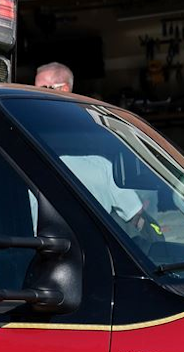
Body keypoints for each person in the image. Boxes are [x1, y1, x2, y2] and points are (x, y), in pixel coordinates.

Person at [30, 62, 150, 228]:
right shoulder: (27, 125)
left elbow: (134, 212)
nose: (32, 94)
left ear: (63, 89)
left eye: (43, 88)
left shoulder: (91, 126)